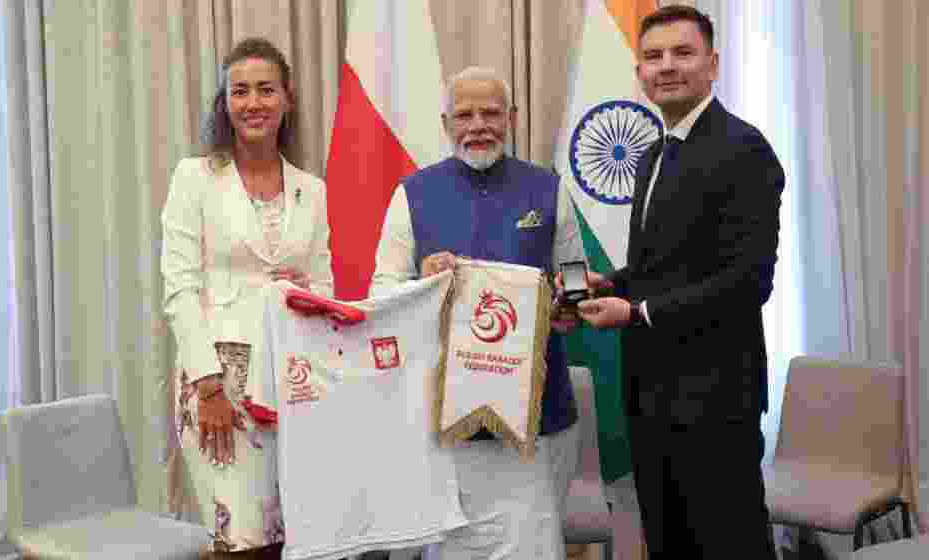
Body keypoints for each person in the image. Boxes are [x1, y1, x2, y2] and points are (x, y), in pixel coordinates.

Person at [575, 6, 784, 558]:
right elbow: (667, 265)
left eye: (682, 53)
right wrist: (611, 284)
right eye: (653, 56)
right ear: (639, 72)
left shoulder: (743, 149)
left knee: (727, 544)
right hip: (649, 393)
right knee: (668, 543)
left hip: (715, 399)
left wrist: (636, 312)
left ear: (712, 65)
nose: (666, 66)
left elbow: (748, 281)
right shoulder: (652, 154)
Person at [372, 66, 584, 560]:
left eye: (490, 113)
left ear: (511, 118)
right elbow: (381, 293)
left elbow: (575, 275)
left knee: (534, 547)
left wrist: (570, 307)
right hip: (446, 416)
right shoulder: (413, 193)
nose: (478, 125)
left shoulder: (548, 189)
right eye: (464, 115)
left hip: (539, 415)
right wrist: (424, 281)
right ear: (446, 123)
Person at [161, 37, 332, 558]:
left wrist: (305, 291)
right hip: (220, 380)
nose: (253, 102)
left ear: (287, 99)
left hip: (291, 378)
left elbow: (324, 286)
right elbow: (180, 289)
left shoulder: (312, 189)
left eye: (266, 89)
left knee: (289, 535)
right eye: (240, 91)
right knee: (239, 538)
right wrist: (208, 387)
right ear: (225, 102)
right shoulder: (195, 178)